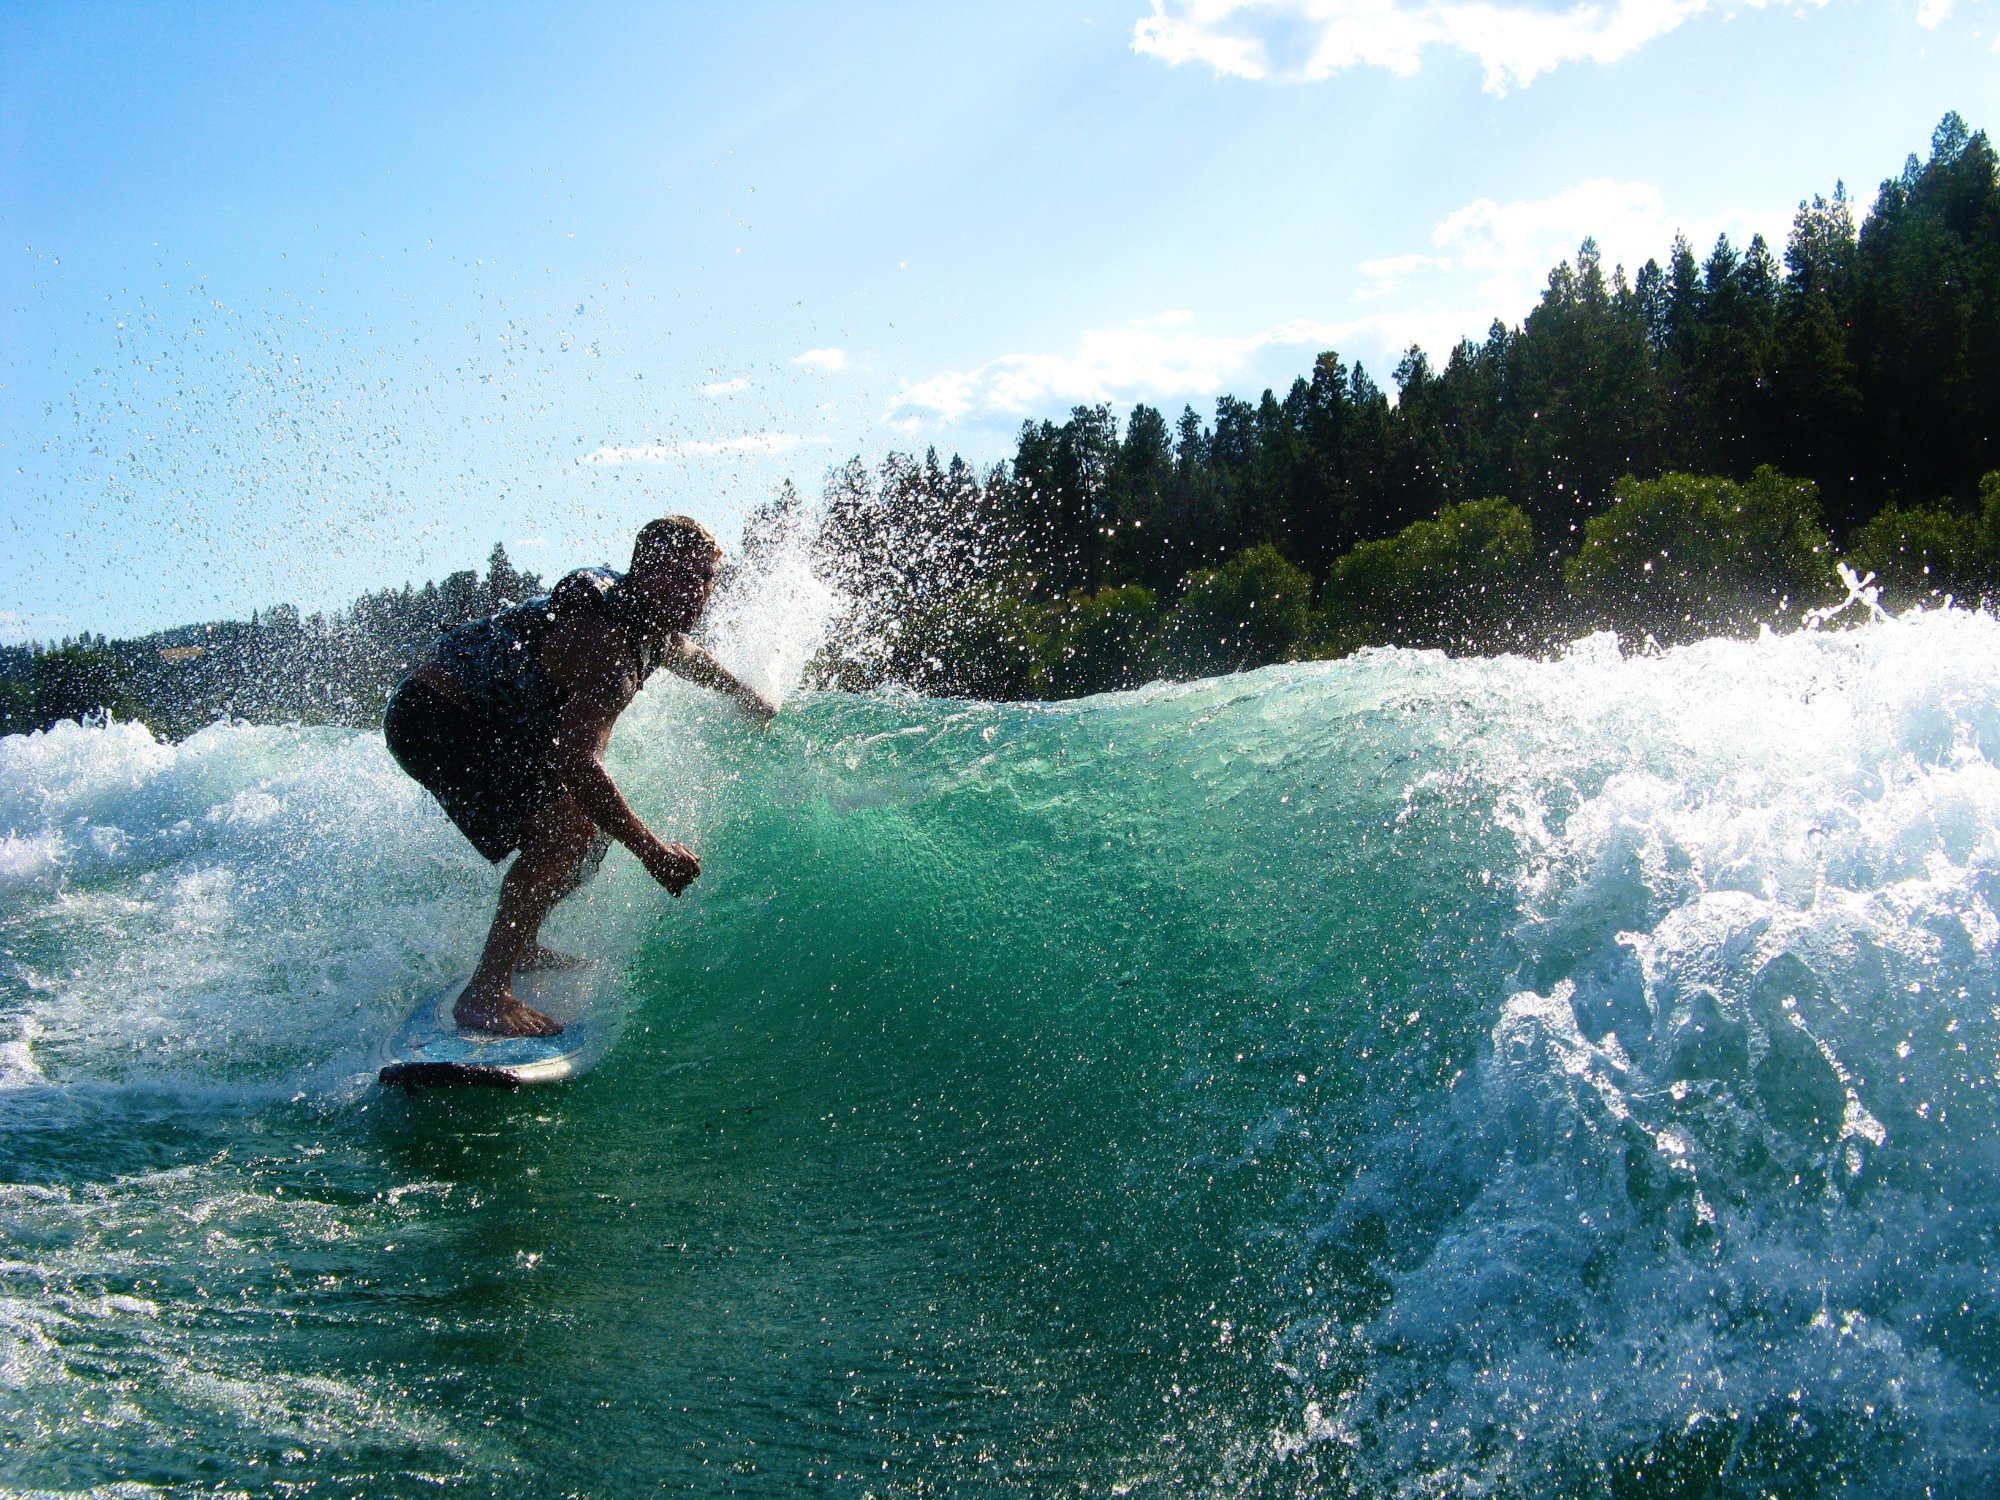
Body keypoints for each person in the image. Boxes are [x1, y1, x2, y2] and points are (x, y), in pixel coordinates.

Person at [385, 516, 774, 1038]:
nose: (696, 592)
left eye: (704, 578)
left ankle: (519, 947)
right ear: (645, 571)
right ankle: (485, 995)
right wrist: (654, 852)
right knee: (568, 829)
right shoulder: (608, 646)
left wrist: (745, 696)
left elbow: (688, 657)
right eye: (680, 575)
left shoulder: (649, 620)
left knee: (584, 832)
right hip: (437, 719)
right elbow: (578, 764)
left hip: (494, 723)